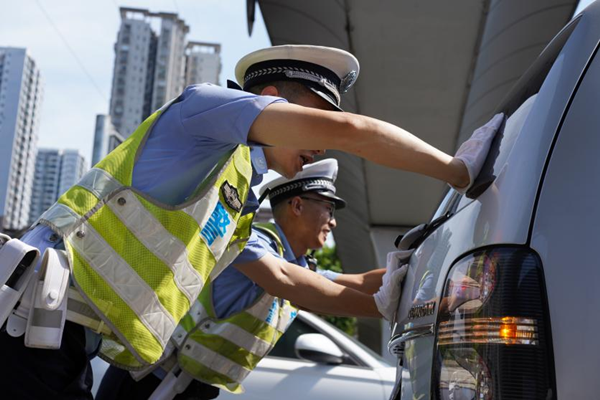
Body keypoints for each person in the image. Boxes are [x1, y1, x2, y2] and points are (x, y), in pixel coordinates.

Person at [0, 44, 503, 399]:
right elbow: (353, 132)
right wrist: (460, 172)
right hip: (27, 322)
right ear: (268, 95)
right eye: (317, 111)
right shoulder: (202, 110)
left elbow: (309, 285)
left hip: (60, 339)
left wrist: (420, 292)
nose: (322, 137)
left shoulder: (234, 196)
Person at [96, 158, 391, 399]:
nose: (333, 221)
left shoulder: (297, 264)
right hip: (150, 380)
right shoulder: (250, 242)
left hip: (190, 386)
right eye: (328, 208)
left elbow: (361, 282)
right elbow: (285, 279)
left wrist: (411, 263)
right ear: (298, 205)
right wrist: (385, 308)